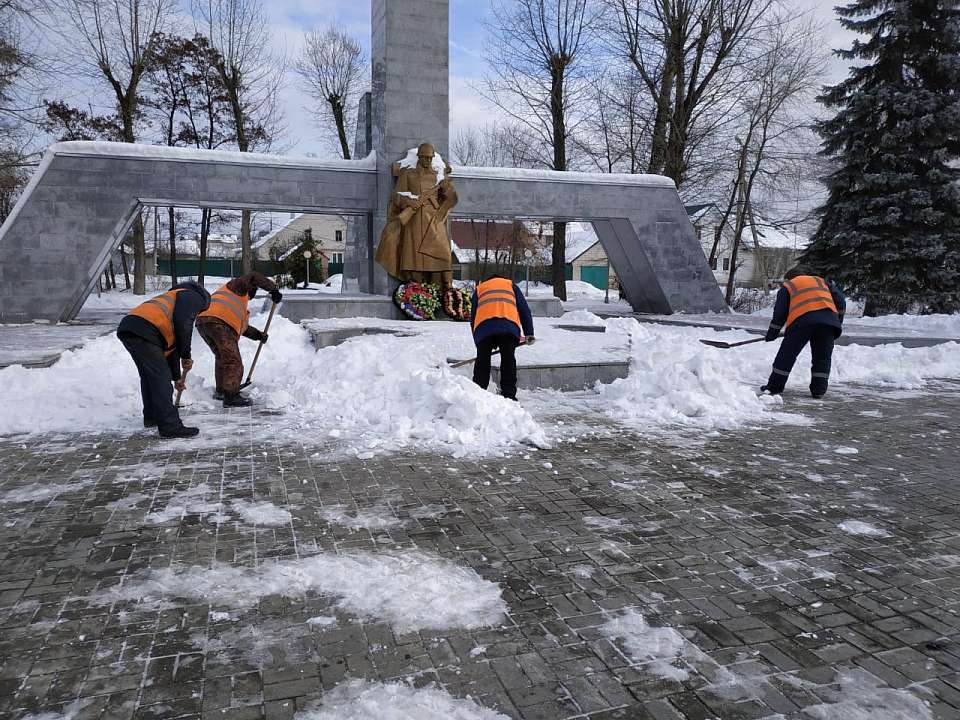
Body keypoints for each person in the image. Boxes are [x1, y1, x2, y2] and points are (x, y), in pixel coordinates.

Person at [117, 280, 211, 438]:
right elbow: (184, 326)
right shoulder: (193, 296)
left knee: (149, 377)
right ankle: (170, 426)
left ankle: (152, 416)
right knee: (160, 378)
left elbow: (171, 351)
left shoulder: (173, 299)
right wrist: (186, 355)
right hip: (146, 329)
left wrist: (176, 378)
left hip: (131, 326)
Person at [196, 272, 283, 407]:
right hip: (218, 322)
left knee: (222, 357)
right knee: (233, 360)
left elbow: (243, 328)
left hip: (203, 322)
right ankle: (231, 396)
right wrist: (273, 289)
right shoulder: (237, 287)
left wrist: (259, 335)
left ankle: (222, 391)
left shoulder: (236, 304)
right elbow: (254, 276)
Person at [761, 267, 846, 398]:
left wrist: (773, 332)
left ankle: (774, 387)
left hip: (802, 323)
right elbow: (840, 301)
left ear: (789, 278)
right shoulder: (821, 281)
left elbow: (780, 313)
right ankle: (819, 391)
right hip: (829, 324)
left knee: (787, 355)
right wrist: (836, 321)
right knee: (822, 358)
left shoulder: (788, 286)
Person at [469, 275, 535, 401]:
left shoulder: (480, 288)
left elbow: (473, 316)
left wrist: (478, 340)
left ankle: (477, 394)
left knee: (482, 360)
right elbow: (524, 310)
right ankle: (509, 394)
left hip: (484, 328)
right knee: (508, 358)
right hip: (508, 327)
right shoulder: (510, 285)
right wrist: (529, 333)